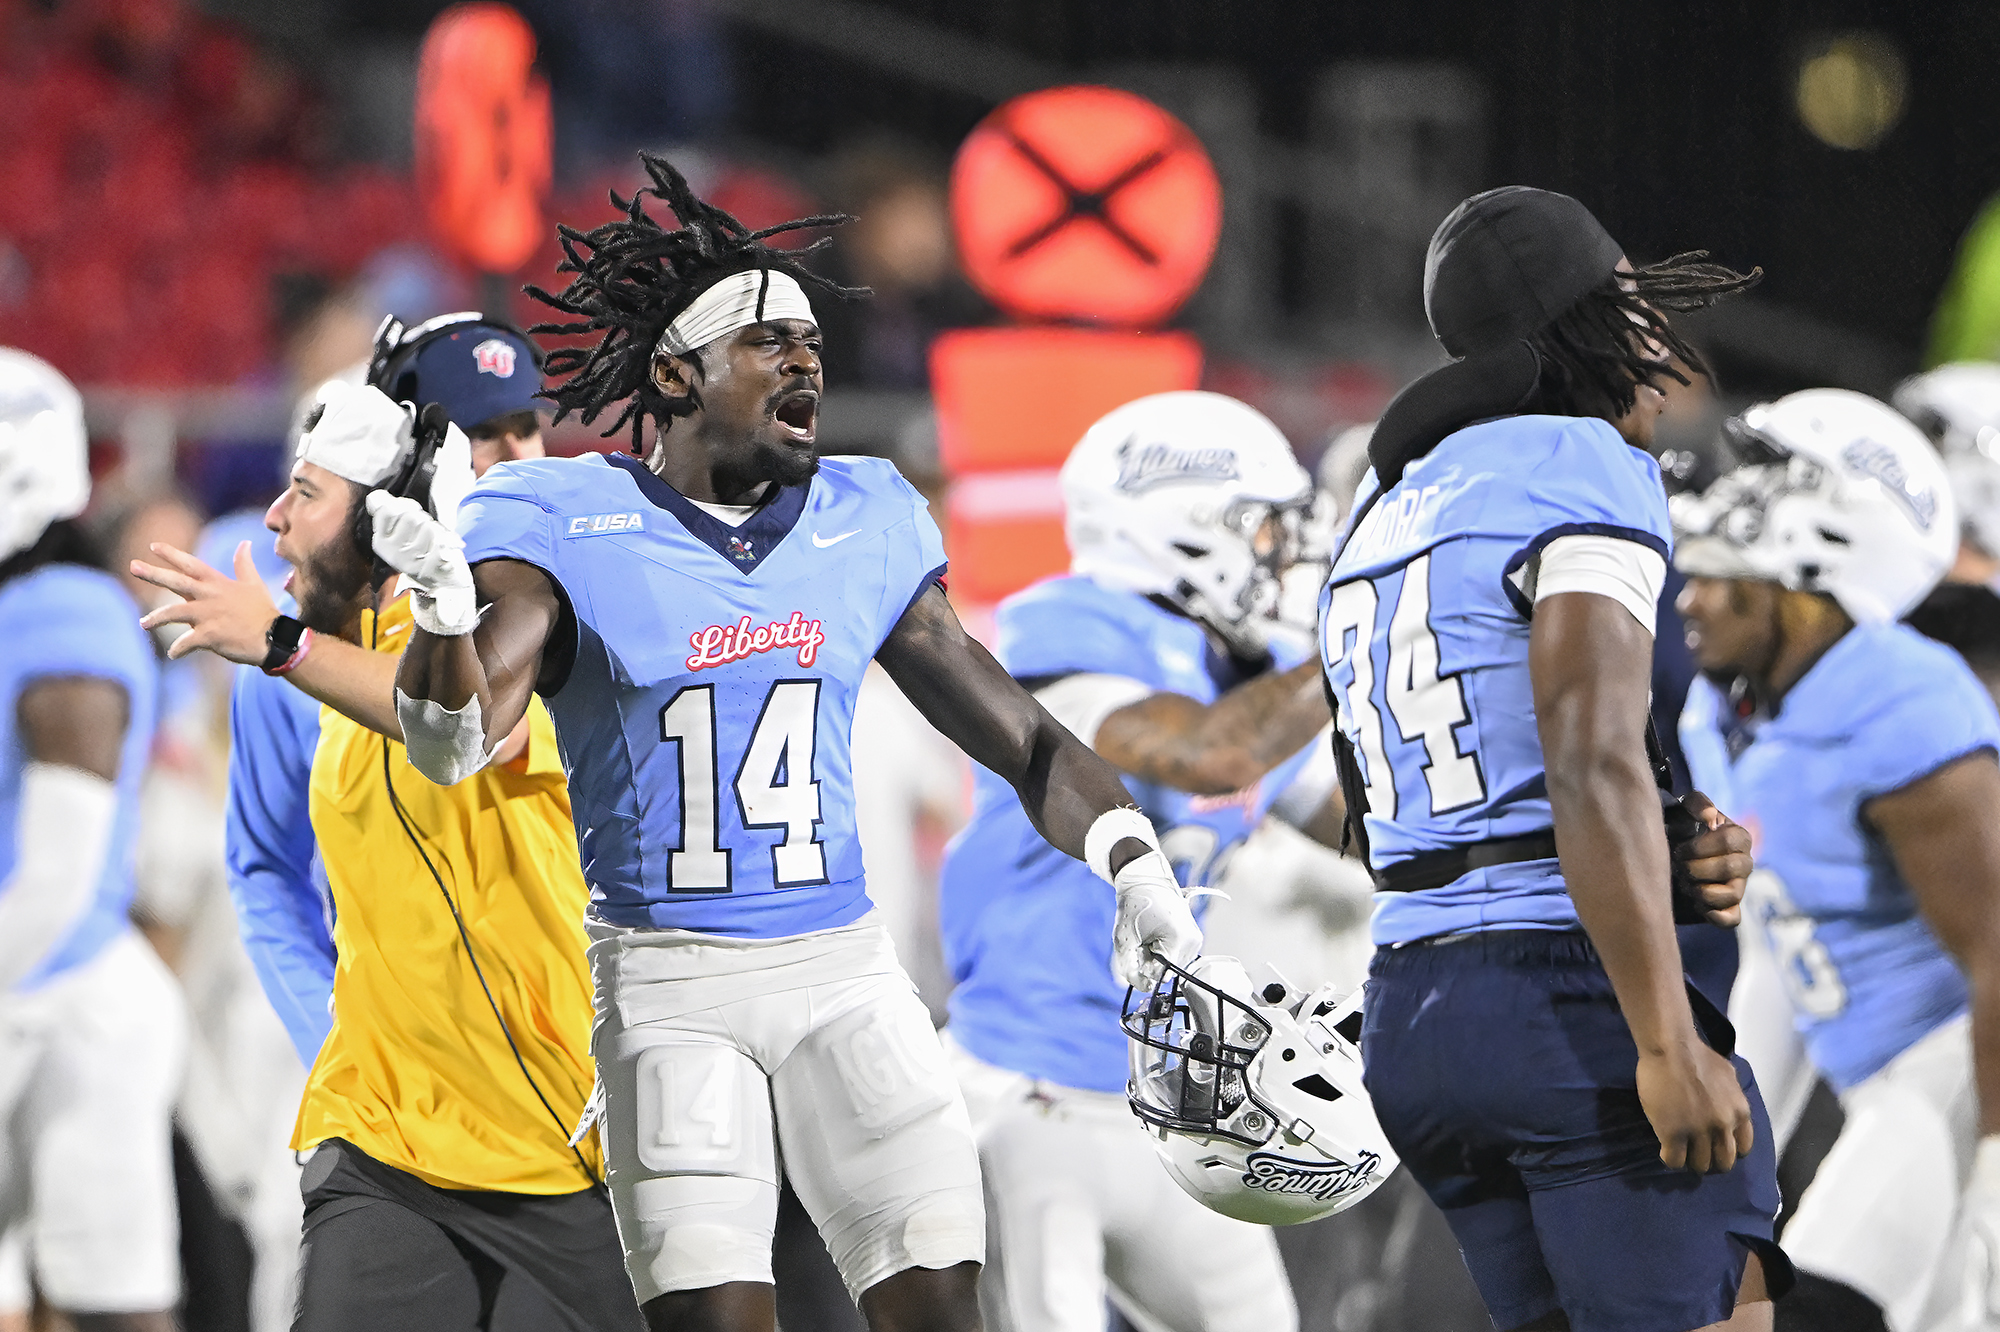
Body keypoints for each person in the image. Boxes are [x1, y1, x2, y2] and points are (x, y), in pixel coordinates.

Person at [366, 152, 1204, 1332]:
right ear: (675, 374)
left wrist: (1133, 864)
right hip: (667, 982)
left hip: (846, 969)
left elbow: (1023, 741)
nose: (804, 359)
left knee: (940, 1310)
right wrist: (444, 616)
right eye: (765, 341)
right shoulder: (562, 517)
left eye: (810, 340)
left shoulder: (862, 516)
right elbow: (452, 744)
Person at [1317, 186, 1786, 1332]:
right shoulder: (1579, 462)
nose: (1655, 341)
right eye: (1630, 304)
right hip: (1563, 1000)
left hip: (1412, 1006)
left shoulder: (1380, 503)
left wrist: (1664, 845)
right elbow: (1587, 757)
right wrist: (1664, 1041)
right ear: (1582, 321)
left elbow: (1392, 797)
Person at [128, 319, 643, 1332]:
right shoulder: (304, 650)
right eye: (480, 434)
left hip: (559, 1128)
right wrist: (333, 1037)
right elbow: (266, 867)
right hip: (382, 1128)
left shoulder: (549, 613)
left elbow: (459, 728)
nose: (511, 458)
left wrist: (285, 641)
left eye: (523, 427)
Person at [938, 390, 1333, 1332]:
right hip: (1028, 1091)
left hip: (1177, 1095)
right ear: (1185, 528)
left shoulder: (1248, 672)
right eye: (1262, 528)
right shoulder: (1065, 628)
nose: (1282, 556)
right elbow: (1209, 753)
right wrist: (1356, 638)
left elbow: (1367, 829)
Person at [1673, 389, 2000, 1332]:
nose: (1690, 599)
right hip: (1881, 1078)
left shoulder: (1900, 700)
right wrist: (1735, 1174)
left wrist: (1994, 1170)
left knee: (1810, 1310)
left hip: (1956, 1070)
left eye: (1724, 575)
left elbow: (1996, 951)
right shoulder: (1724, 713)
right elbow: (1778, 955)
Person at [0, 349, 180, 1331]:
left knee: (110, 1302)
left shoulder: (61, 609)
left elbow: (59, 868)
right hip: (26, 982)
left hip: (63, 991)